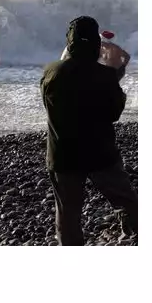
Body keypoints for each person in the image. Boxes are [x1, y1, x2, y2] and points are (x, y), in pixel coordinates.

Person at [41, 16, 138, 245]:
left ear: (69, 42)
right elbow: (114, 111)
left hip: (63, 154)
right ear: (96, 42)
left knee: (68, 215)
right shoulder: (105, 76)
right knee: (126, 201)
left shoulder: (52, 72)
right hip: (100, 152)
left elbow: (68, 79)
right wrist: (116, 70)